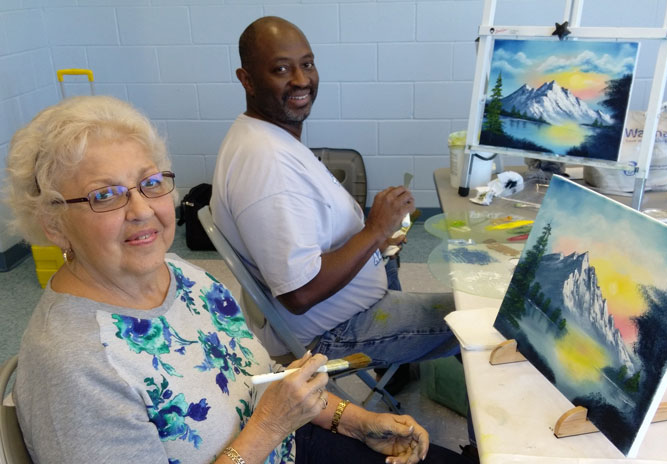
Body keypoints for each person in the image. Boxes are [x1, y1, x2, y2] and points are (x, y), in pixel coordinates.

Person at [5, 95, 472, 464]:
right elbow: (268, 416)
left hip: (291, 444)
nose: (143, 210)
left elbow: (255, 380)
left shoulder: (181, 276)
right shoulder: (73, 367)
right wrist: (268, 429)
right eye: (105, 195)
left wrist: (355, 421)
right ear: (52, 222)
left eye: (150, 182)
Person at [211, 16, 460, 371]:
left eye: (307, 64)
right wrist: (374, 231)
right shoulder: (266, 165)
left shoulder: (266, 137)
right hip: (330, 331)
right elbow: (300, 294)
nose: (301, 80)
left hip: (342, 303)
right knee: (478, 318)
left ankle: (403, 367)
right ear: (247, 80)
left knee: (397, 264)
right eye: (281, 69)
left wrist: (378, 237)